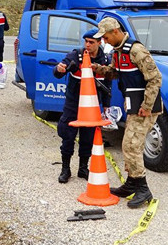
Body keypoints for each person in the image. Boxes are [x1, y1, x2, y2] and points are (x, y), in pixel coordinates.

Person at [91, 17, 161, 208]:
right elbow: (115, 73)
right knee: (128, 144)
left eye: (105, 37)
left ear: (115, 31)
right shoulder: (118, 51)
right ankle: (132, 183)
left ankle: (143, 189)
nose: (104, 41)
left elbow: (155, 79)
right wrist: (97, 69)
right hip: (132, 105)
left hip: (144, 107)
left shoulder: (136, 50)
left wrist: (146, 106)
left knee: (132, 146)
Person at [53, 29, 111, 182]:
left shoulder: (104, 60)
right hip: (73, 103)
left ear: (100, 42)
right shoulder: (76, 55)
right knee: (68, 136)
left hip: (91, 106)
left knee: (88, 137)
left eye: (91, 42)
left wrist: (106, 105)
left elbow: (108, 83)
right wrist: (59, 69)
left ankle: (83, 169)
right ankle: (65, 169)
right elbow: (59, 71)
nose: (87, 45)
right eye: (85, 41)